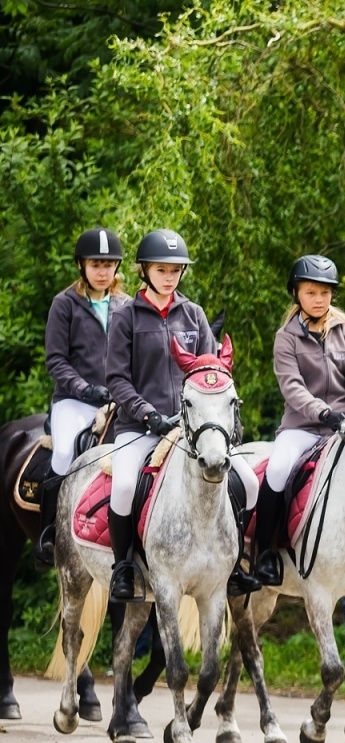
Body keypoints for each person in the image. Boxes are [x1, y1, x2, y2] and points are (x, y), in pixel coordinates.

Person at [104, 229, 259, 602]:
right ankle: (123, 567)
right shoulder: (125, 317)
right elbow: (116, 379)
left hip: (192, 429)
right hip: (139, 427)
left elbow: (211, 373)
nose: (169, 276)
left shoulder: (194, 315)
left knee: (250, 482)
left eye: (175, 270)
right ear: (144, 270)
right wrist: (147, 414)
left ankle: (234, 564)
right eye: (162, 269)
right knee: (123, 487)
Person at [253, 254, 345, 586]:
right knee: (277, 469)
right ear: (296, 293)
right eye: (311, 292)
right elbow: (292, 387)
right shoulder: (286, 337)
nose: (319, 299)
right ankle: (264, 553)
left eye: (325, 292)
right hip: (302, 428)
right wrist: (323, 412)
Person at [35, 228, 131, 566]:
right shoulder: (65, 304)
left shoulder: (127, 306)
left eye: (108, 265)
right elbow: (56, 360)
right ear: (82, 266)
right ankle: (50, 533)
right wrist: (84, 388)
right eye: (95, 265)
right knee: (64, 453)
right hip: (74, 401)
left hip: (118, 401)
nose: (103, 272)